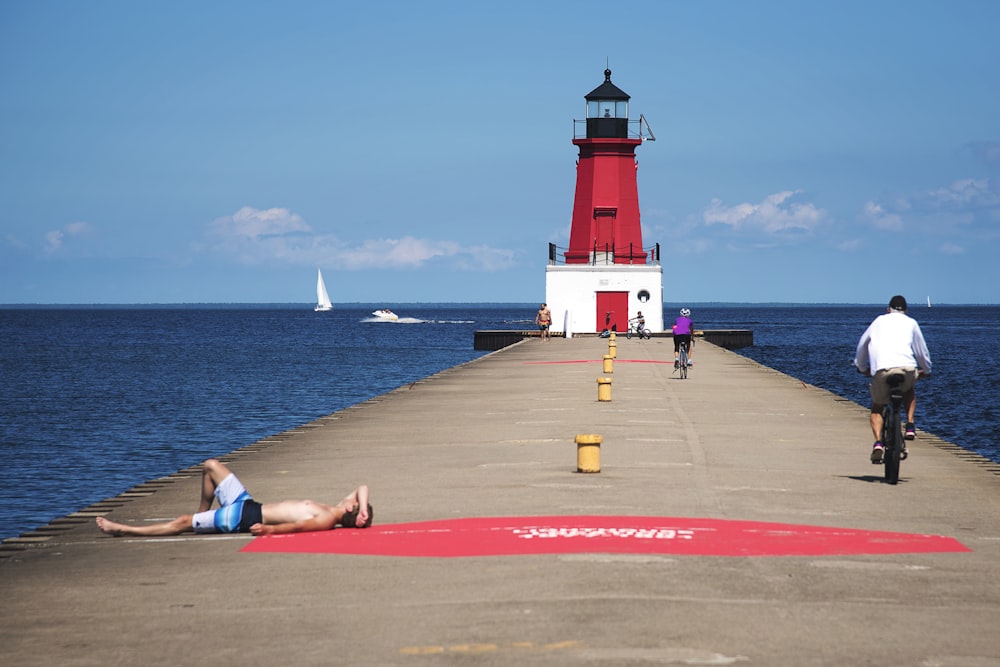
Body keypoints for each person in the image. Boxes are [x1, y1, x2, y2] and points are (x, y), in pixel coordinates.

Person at [96, 458, 372, 537]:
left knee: (181, 522)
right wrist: (364, 513)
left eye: (356, 503)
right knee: (211, 465)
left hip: (244, 518)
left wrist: (269, 531)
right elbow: (362, 485)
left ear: (350, 508)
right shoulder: (336, 507)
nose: (353, 498)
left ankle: (123, 529)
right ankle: (201, 514)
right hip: (248, 504)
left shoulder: (325, 518)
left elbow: (299, 527)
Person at [854, 295, 932, 464]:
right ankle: (910, 425)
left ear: (888, 309)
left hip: (882, 369)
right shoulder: (911, 322)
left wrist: (861, 367)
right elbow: (922, 351)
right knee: (909, 388)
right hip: (907, 368)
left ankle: (878, 443)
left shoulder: (879, 321)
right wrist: (926, 370)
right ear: (906, 310)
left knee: (877, 407)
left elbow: (862, 344)